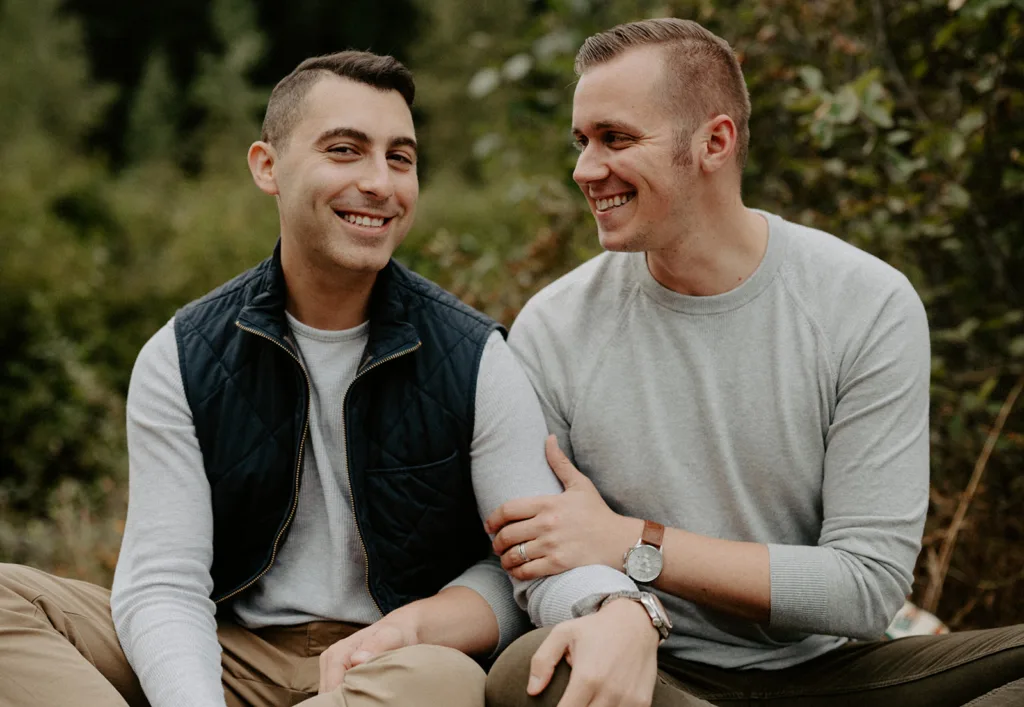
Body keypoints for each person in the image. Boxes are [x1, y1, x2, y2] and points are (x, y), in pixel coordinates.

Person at [0, 51, 657, 707]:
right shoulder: (182, 354)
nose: (379, 182)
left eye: (400, 158)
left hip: (389, 664)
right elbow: (164, 584)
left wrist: (617, 605)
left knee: (445, 680)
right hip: (229, 656)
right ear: (268, 167)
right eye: (345, 150)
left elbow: (528, 565)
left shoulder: (476, 356)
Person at [483, 18, 1024, 707]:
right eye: (582, 141)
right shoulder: (554, 328)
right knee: (529, 670)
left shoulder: (866, 303)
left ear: (714, 142)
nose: (586, 169)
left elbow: (863, 588)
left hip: (837, 673)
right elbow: (537, 561)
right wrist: (622, 604)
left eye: (616, 139)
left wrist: (632, 541)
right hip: (658, 668)